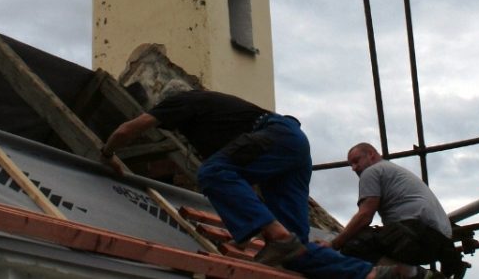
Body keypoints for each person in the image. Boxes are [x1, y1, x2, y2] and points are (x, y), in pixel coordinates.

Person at [101, 88, 438, 279]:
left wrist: (108, 152)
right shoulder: (210, 118)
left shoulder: (180, 101)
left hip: (275, 134)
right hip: (291, 147)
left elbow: (129, 129)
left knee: (212, 174)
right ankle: (379, 275)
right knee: (295, 253)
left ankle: (278, 237)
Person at [319, 143, 462, 278]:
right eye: (351, 165)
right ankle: (413, 273)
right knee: (377, 240)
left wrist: (333, 244)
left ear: (371, 154)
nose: (354, 168)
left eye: (356, 161)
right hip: (439, 242)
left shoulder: (371, 172)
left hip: (417, 236)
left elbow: (365, 216)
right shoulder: (391, 170)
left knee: (354, 243)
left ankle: (418, 275)